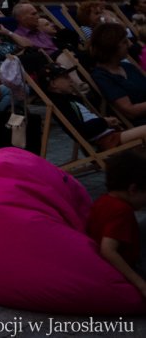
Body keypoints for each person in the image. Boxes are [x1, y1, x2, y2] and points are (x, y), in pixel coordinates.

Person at [87, 149, 146, 300]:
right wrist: (140, 283)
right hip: (134, 267)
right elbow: (108, 250)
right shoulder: (122, 211)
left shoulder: (104, 200)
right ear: (133, 189)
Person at [92, 22, 146, 121]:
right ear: (111, 46)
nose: (129, 45)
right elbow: (130, 111)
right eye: (124, 42)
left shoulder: (128, 67)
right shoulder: (103, 76)